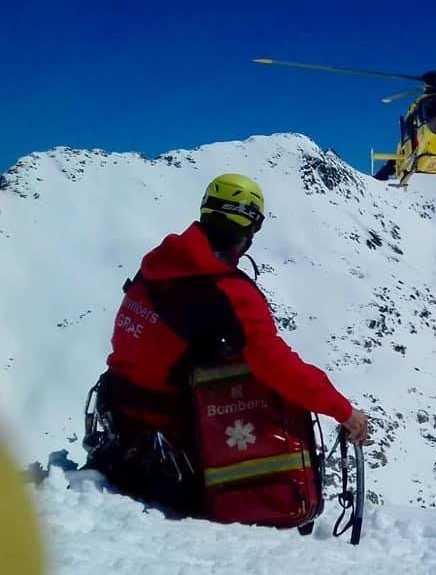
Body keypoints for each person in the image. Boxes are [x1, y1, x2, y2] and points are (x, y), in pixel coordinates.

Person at [86, 173, 370, 514]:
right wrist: (343, 410)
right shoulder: (228, 291)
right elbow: (276, 364)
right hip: (166, 431)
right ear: (251, 229)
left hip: (119, 408)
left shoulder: (163, 261)